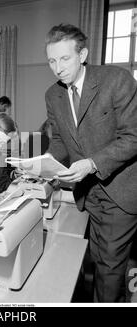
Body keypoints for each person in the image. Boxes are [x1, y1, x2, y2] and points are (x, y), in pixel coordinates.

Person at [44, 23, 137, 302]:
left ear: (82, 54)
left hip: (121, 191)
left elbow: (134, 136)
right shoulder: (53, 94)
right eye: (51, 60)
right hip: (89, 192)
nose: (57, 67)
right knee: (99, 259)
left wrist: (92, 163)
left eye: (64, 58)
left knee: (109, 268)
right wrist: (43, 165)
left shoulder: (117, 79)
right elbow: (59, 142)